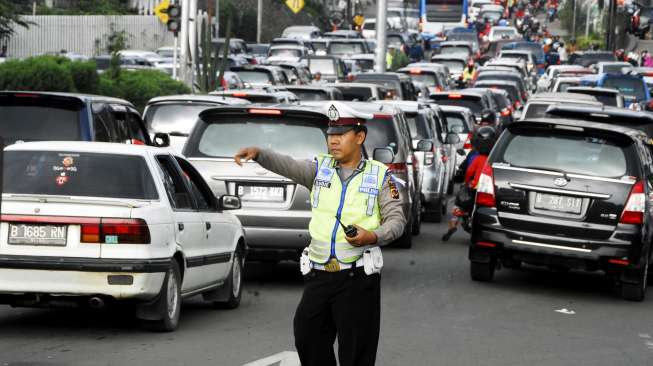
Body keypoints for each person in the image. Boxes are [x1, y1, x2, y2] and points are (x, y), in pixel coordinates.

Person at [233, 102, 407, 366]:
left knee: (356, 352)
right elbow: (287, 165)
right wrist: (259, 154)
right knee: (307, 337)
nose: (333, 141)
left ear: (359, 137)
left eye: (340, 135)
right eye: (330, 134)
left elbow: (397, 219)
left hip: (357, 277)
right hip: (320, 274)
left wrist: (372, 236)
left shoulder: (381, 176)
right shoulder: (319, 169)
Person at [442, 123, 498, 241]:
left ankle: (453, 225)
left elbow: (469, 172)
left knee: (459, 204)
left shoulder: (477, 157)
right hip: (488, 189)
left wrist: (466, 183)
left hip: (474, 185)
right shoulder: (495, 159)